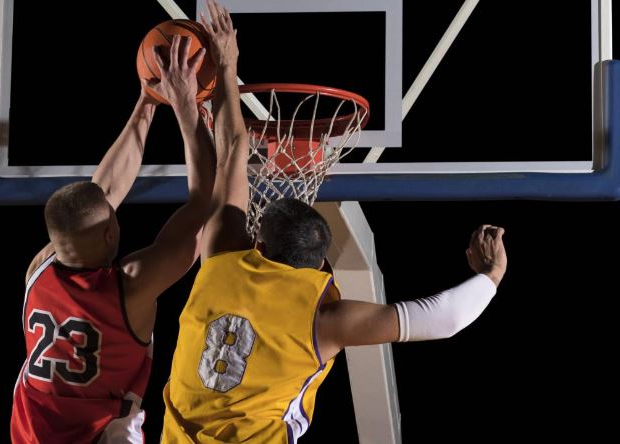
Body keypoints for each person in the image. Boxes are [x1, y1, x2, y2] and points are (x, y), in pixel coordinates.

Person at [159, 2, 508, 443]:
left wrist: (226, 67)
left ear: (259, 247)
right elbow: (445, 319)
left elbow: (231, 151)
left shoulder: (220, 258)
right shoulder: (323, 317)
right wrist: (492, 274)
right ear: (320, 264)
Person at [11, 35, 216, 444]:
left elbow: (100, 192)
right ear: (110, 231)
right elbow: (204, 202)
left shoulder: (41, 267)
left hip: (35, 428)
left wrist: (148, 101)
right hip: (100, 434)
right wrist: (186, 107)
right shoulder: (132, 284)